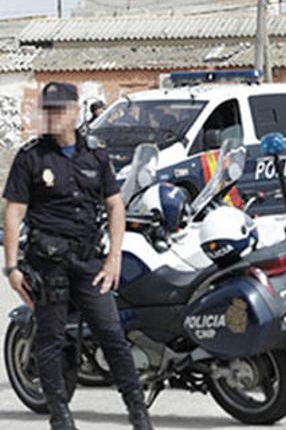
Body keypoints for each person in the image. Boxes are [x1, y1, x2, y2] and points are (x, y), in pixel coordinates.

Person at [3, 82, 153, 430]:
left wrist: (114, 256)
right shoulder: (31, 158)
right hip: (47, 264)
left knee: (112, 334)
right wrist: (11, 267)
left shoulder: (95, 155)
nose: (52, 116)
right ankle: (60, 418)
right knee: (50, 340)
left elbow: (115, 206)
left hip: (89, 263)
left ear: (75, 111)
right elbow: (14, 212)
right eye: (48, 109)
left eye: (59, 109)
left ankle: (139, 415)